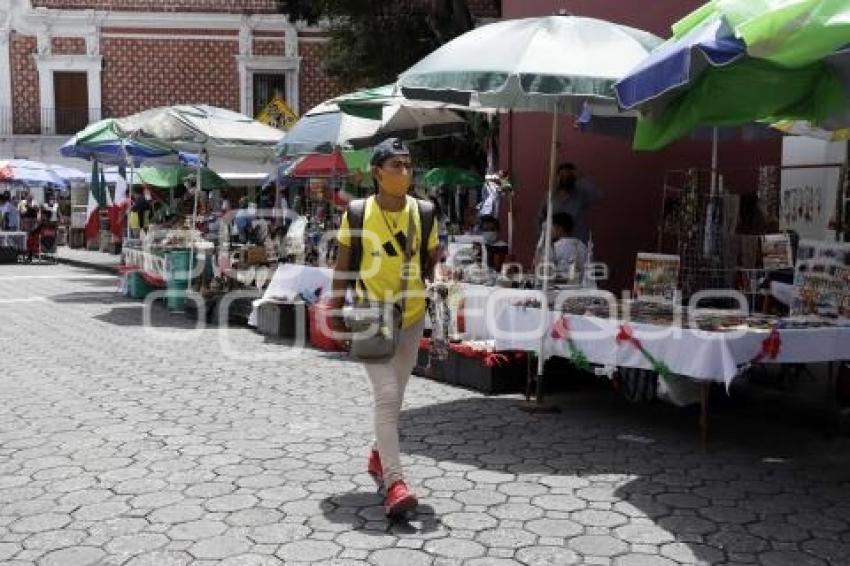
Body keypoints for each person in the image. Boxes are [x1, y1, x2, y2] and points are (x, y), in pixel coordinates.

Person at [330, 138, 438, 517]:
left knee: (398, 395)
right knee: (388, 396)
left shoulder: (424, 212)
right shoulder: (358, 213)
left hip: (411, 315)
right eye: (395, 165)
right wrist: (333, 305)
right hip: (371, 314)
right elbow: (344, 264)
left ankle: (378, 456)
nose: (404, 173)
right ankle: (395, 482)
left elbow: (429, 262)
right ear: (377, 172)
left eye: (408, 165)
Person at [537, 162, 602, 244]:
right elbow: (540, 218)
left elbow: (598, 195)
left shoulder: (581, 194)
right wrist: (543, 237)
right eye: (562, 175)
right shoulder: (550, 196)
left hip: (577, 241)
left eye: (568, 175)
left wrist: (581, 178)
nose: (565, 178)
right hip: (555, 243)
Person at [535, 212, 588, 282]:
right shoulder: (582, 246)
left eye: (550, 227)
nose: (548, 231)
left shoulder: (556, 247)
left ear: (559, 228)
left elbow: (543, 270)